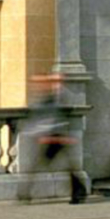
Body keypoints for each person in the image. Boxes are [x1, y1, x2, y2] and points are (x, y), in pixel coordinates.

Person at [22, 73, 91, 203]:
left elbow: (53, 119)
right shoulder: (48, 100)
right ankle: (25, 193)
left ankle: (25, 194)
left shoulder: (52, 100)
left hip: (54, 138)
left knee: (42, 167)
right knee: (63, 168)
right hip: (52, 138)